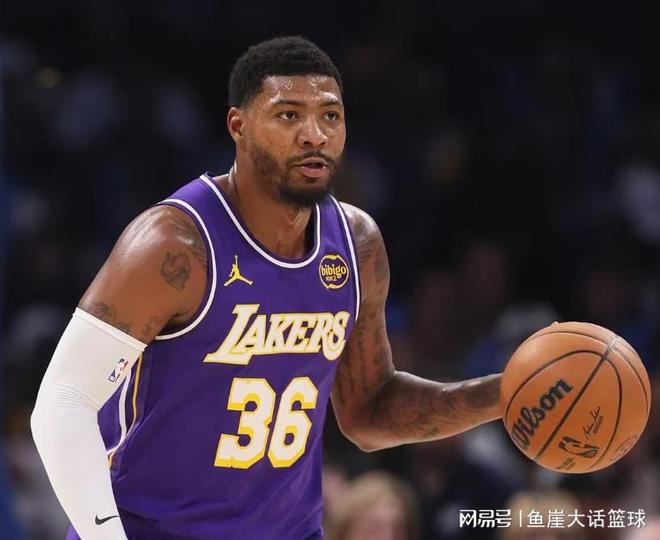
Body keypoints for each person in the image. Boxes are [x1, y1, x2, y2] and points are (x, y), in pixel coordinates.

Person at [30, 36, 502, 540]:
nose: (314, 134)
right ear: (239, 126)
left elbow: (368, 412)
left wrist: (506, 393)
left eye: (330, 116)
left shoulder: (356, 243)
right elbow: (64, 400)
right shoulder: (175, 244)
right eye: (288, 115)